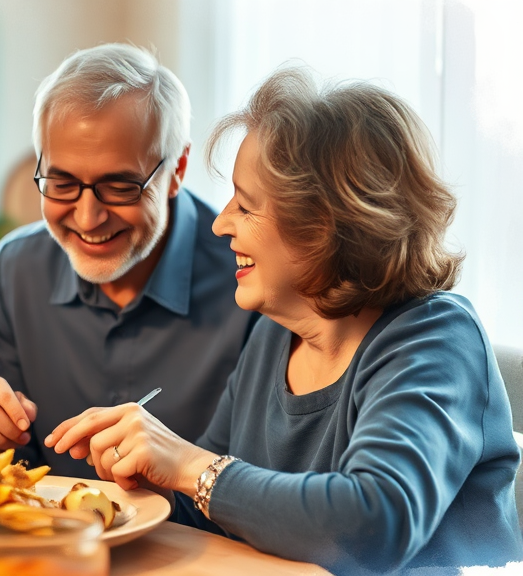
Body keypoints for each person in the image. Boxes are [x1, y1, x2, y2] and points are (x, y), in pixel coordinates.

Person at [46, 68, 523, 573]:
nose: (220, 222)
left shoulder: (435, 338)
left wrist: (188, 465)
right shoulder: (275, 335)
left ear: (326, 228)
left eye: (246, 206)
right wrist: (149, 472)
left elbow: (375, 525)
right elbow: (221, 508)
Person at [0, 43, 256, 479]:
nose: (87, 217)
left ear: (177, 169)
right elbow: (10, 471)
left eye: (119, 186)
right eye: (61, 183)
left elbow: (260, 479)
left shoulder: (248, 276)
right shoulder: (16, 269)